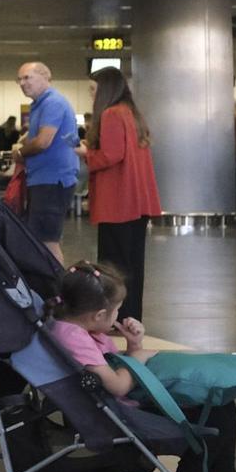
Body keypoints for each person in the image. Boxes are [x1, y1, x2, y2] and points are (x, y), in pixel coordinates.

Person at [49, 261, 236, 472]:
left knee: (220, 406)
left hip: (121, 404)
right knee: (211, 421)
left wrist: (133, 345)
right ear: (98, 315)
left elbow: (113, 369)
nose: (118, 317)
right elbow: (117, 384)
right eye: (115, 311)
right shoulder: (74, 338)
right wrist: (138, 355)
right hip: (120, 411)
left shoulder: (80, 330)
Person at [80, 68, 162, 324]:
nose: (92, 96)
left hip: (118, 202)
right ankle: (130, 317)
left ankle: (117, 317)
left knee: (115, 266)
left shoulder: (111, 114)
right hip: (135, 203)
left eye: (94, 90)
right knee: (133, 264)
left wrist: (84, 153)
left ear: (105, 90)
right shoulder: (131, 114)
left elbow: (111, 155)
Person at [14, 62, 80, 262]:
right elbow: (69, 139)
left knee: (47, 240)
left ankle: (57, 287)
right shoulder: (40, 105)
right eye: (20, 79)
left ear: (45, 77)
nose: (22, 83)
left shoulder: (53, 103)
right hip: (44, 179)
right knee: (41, 238)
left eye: (27, 77)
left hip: (52, 180)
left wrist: (20, 153)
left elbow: (43, 142)